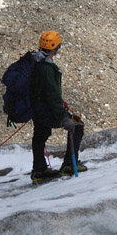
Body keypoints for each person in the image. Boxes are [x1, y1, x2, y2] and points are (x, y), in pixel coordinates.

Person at [30, 30, 86, 182]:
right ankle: (68, 164)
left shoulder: (34, 62)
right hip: (47, 110)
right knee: (77, 126)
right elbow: (53, 96)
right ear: (56, 47)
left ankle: (39, 169)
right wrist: (63, 117)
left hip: (36, 109)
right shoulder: (47, 68)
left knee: (40, 136)